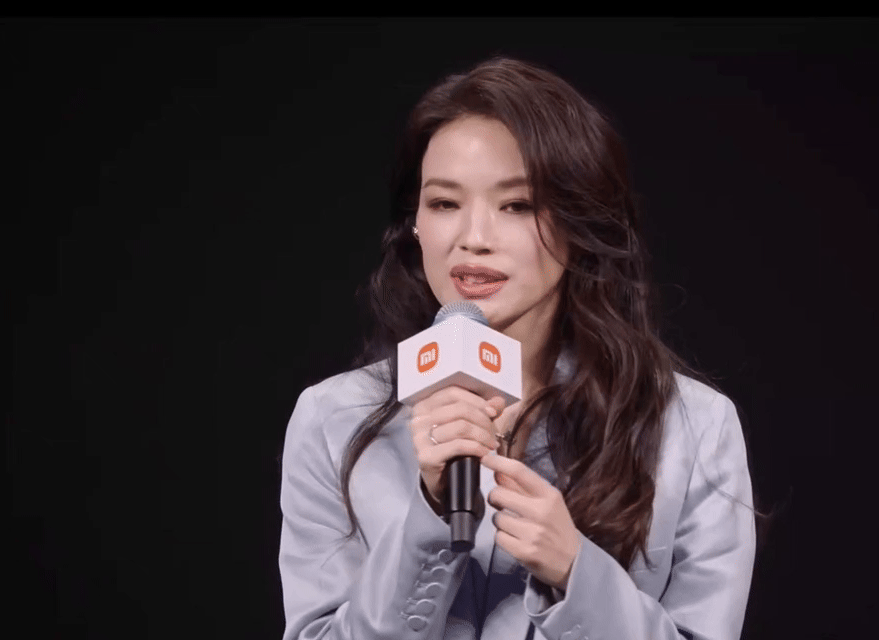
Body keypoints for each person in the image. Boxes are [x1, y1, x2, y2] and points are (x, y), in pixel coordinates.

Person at [278, 54, 756, 640]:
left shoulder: (694, 429)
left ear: (579, 223)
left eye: (517, 205)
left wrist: (575, 574)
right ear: (415, 224)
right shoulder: (333, 419)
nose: (473, 239)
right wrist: (429, 518)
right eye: (444, 203)